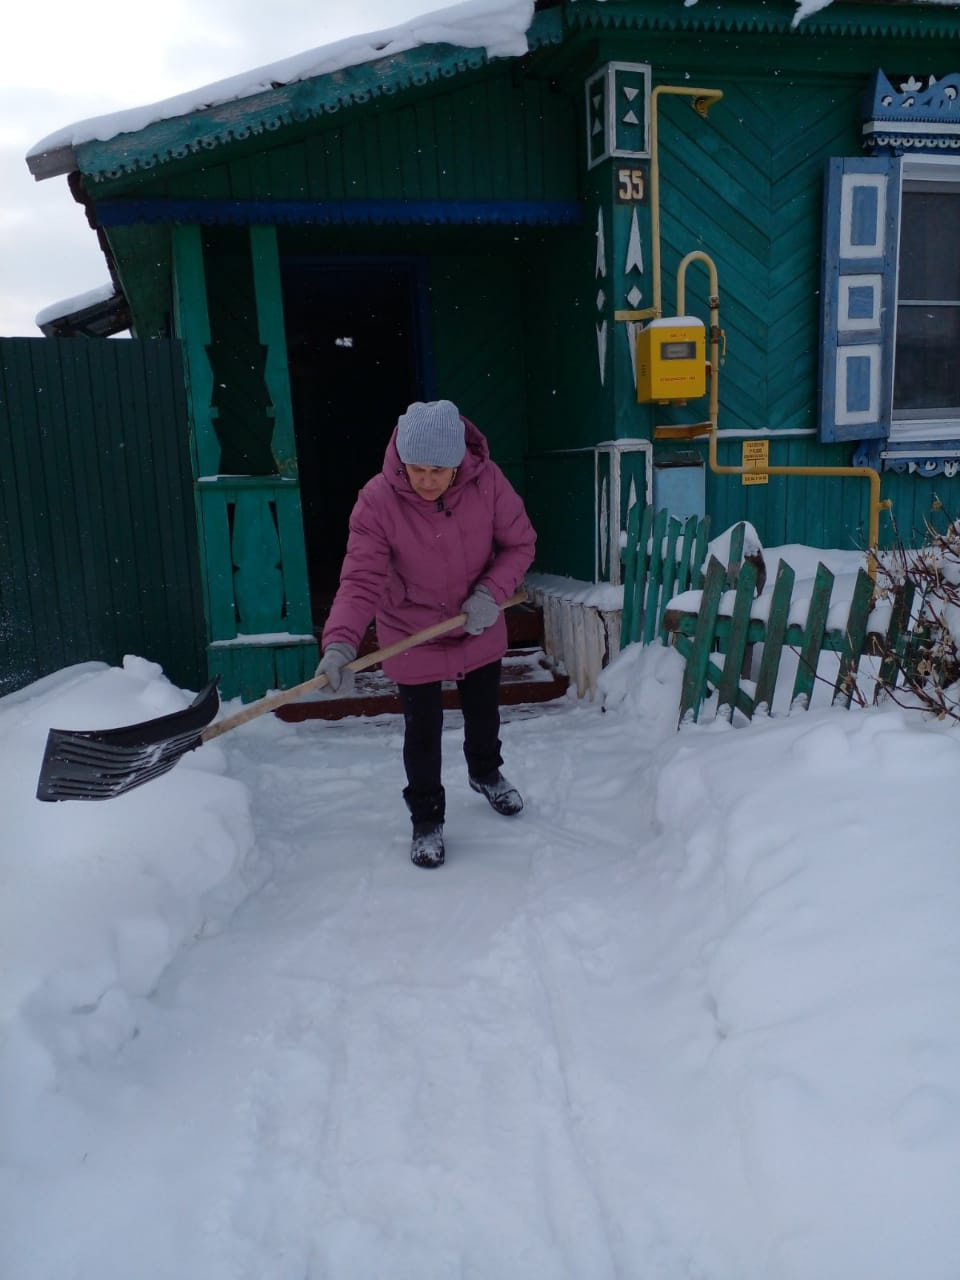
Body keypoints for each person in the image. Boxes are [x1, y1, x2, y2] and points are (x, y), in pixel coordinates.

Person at [316, 399, 537, 869]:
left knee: (483, 713)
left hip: (476, 619)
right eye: (416, 468)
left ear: (458, 463)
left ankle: (485, 772)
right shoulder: (378, 499)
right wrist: (340, 643)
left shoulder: (488, 482)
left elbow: (520, 544)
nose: (426, 480)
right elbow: (360, 580)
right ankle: (426, 817)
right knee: (422, 730)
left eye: (438, 470)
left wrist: (491, 593)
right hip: (410, 627)